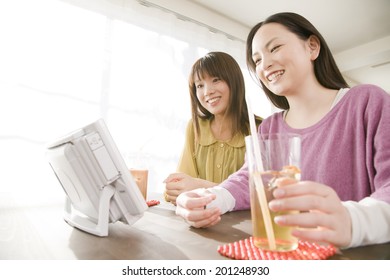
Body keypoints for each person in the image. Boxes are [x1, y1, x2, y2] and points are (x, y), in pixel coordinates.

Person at [175, 12, 390, 249]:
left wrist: (353, 221)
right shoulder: (269, 128)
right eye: (256, 60)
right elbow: (248, 180)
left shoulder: (367, 102)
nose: (264, 65)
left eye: (274, 48)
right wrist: (208, 199)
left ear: (312, 47)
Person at [164, 51, 262, 204]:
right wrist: (179, 189)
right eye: (200, 85)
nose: (207, 91)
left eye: (216, 80)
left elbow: (260, 195)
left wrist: (199, 186)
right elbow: (179, 187)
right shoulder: (194, 127)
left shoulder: (260, 129)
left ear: (234, 81)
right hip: (198, 220)